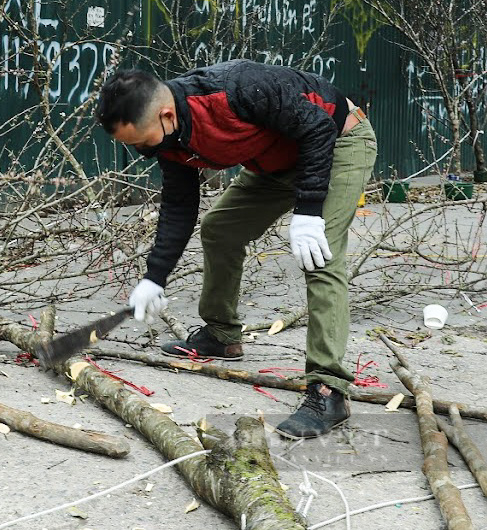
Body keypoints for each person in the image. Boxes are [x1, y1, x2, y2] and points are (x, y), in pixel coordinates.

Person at [95, 60, 377, 438]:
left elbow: (317, 128)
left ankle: (329, 390)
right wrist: (154, 277)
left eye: (142, 142)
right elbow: (179, 206)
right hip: (275, 161)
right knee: (220, 229)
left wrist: (309, 212)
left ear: (165, 114)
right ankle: (221, 335)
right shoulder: (170, 135)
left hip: (337, 142)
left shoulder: (237, 89)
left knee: (320, 254)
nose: (143, 152)